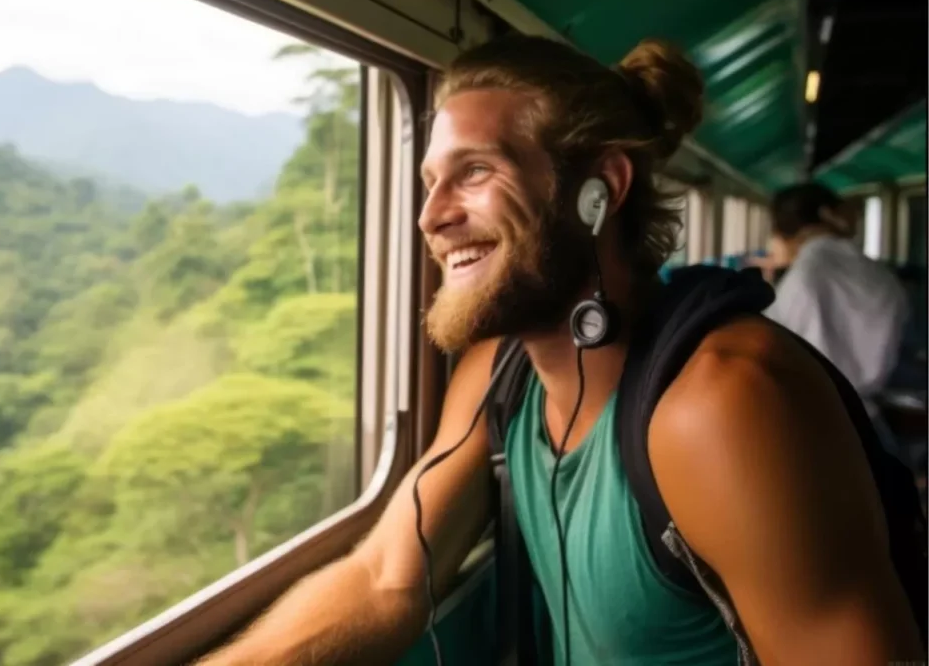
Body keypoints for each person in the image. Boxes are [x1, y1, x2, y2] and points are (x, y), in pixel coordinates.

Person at [196, 35, 922, 665]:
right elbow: (387, 579)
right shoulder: (498, 373)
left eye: (475, 171)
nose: (431, 216)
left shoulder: (725, 404)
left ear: (599, 190)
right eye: (428, 181)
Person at [762, 183, 910, 406]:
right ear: (828, 214)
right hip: (869, 407)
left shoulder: (801, 278)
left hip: (813, 410)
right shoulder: (879, 273)